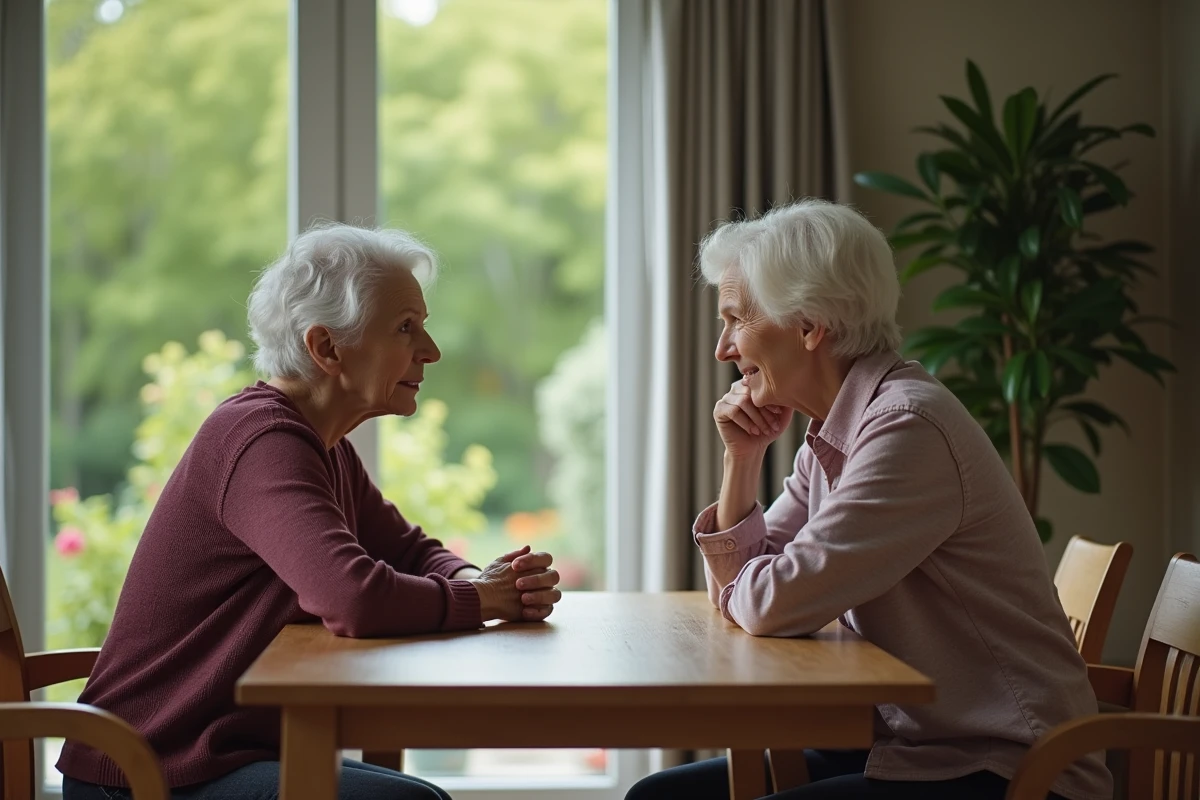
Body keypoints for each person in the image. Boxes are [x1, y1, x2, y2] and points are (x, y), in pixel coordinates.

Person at [626, 199, 1110, 800]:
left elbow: (770, 601)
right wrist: (741, 458)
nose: (724, 348)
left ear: (808, 325)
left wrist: (751, 588)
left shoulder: (907, 427)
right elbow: (743, 593)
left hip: (1007, 769)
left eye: (735, 320)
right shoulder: (840, 429)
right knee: (660, 797)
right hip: (913, 746)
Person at [59, 224, 564, 800]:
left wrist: (482, 580)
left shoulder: (322, 445)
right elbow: (353, 598)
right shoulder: (261, 440)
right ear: (326, 348)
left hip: (216, 754)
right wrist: (484, 600)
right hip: (149, 771)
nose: (431, 350)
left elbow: (408, 550)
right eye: (406, 328)